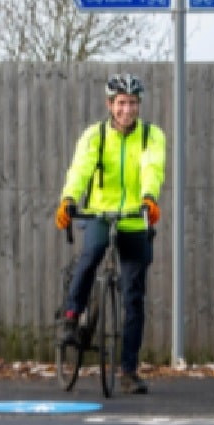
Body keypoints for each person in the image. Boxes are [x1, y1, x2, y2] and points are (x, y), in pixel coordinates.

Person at [55, 73, 166, 394]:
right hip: (100, 213)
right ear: (109, 105)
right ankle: (72, 317)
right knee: (90, 255)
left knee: (134, 296)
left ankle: (129, 371)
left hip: (136, 216)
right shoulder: (95, 136)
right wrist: (69, 198)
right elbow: (80, 169)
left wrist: (149, 198)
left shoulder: (151, 136)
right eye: (121, 103)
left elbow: (152, 167)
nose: (127, 110)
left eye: (132, 103)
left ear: (139, 105)